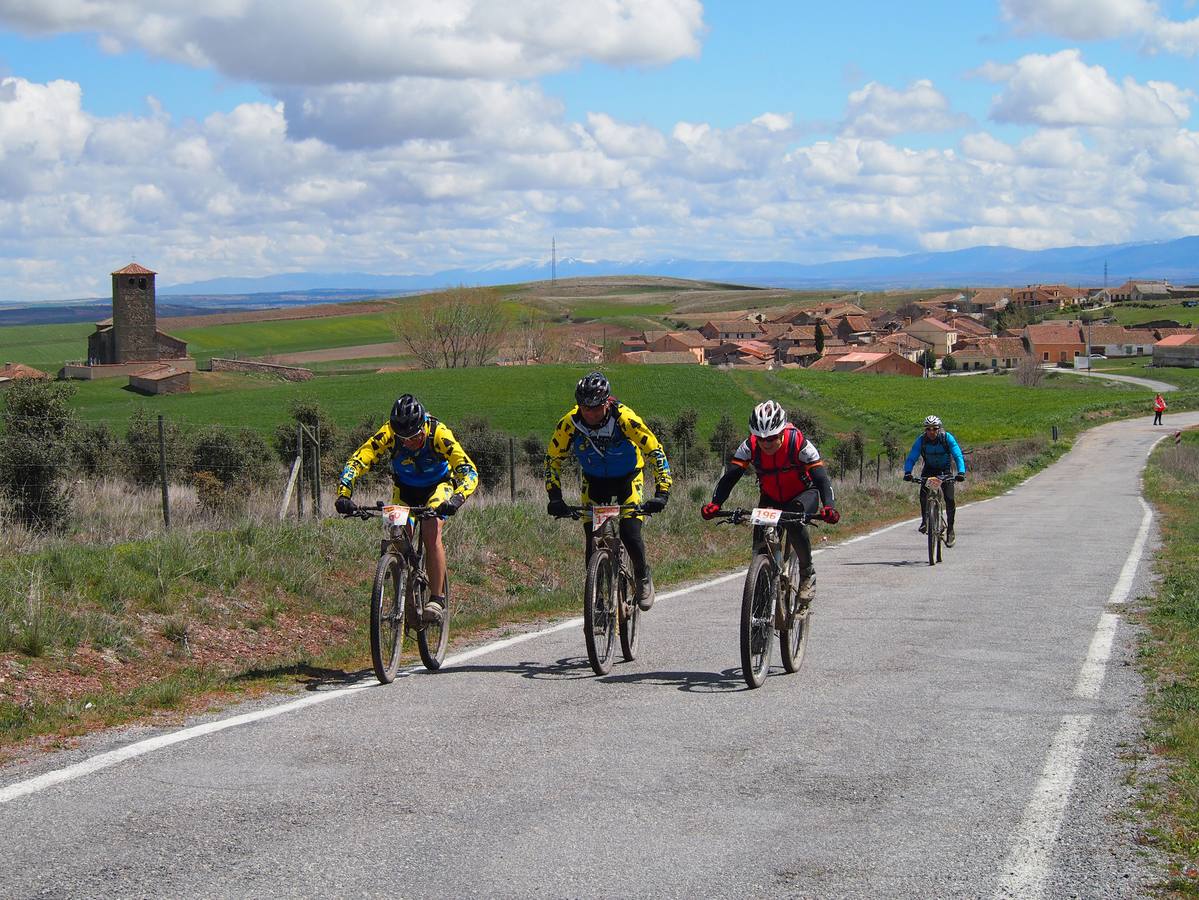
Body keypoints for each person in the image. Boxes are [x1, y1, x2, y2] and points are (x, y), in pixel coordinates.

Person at [335, 393, 478, 621]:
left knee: (431, 531)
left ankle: (436, 599)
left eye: (414, 437)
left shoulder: (439, 433)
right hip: (404, 490)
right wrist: (344, 494)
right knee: (396, 535)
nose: (408, 442)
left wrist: (456, 500)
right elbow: (359, 459)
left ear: (423, 427)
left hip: (438, 487)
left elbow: (469, 471)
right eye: (403, 438)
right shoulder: (390, 433)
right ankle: (402, 597)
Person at [545, 372, 672, 611]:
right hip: (594, 481)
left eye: (596, 408)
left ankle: (643, 576)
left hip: (628, 477)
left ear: (607, 402)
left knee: (630, 532)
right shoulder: (570, 423)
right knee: (592, 539)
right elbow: (552, 458)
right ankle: (598, 598)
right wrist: (555, 496)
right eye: (585, 408)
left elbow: (655, 451)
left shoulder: (625, 419)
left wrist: (662, 492)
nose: (590, 414)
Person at [700, 400, 839, 603]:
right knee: (760, 540)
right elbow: (730, 477)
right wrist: (716, 503)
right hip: (772, 496)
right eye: (761, 438)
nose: (766, 443)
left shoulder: (798, 444)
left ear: (782, 432)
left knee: (794, 522)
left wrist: (829, 507)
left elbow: (821, 479)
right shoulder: (750, 446)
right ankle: (762, 583)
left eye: (772, 438)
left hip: (803, 494)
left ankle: (807, 574)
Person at [903, 414, 966, 547]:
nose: (931, 432)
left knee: (949, 499)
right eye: (928, 429)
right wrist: (908, 472)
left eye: (934, 428)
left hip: (945, 471)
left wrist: (961, 472)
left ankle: (950, 530)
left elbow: (957, 455)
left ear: (939, 429)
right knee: (923, 495)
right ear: (925, 430)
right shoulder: (921, 440)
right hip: (929, 470)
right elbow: (912, 457)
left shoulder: (946, 438)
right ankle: (925, 521)